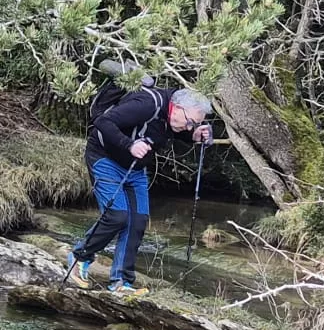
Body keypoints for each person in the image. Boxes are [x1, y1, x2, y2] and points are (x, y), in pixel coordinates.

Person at [65, 82, 214, 294]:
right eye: (191, 122)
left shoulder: (175, 115)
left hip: (135, 168)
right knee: (117, 215)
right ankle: (79, 257)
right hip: (105, 157)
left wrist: (194, 136)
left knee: (138, 220)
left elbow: (168, 129)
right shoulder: (146, 105)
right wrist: (130, 145)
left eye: (195, 124)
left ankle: (121, 282)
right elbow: (103, 122)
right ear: (177, 107)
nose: (190, 127)